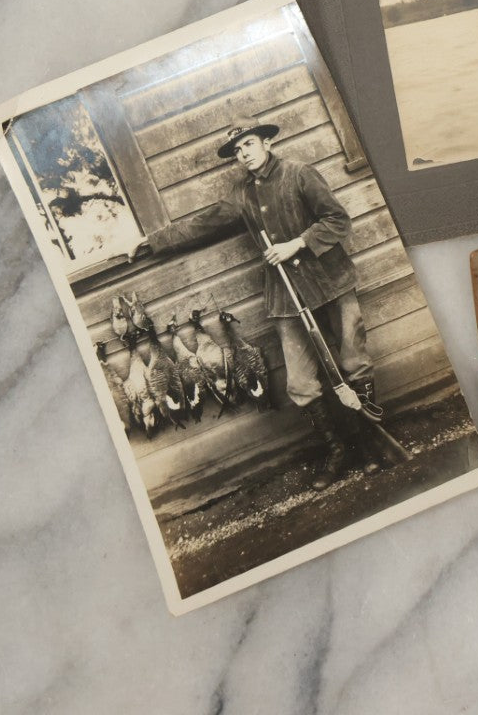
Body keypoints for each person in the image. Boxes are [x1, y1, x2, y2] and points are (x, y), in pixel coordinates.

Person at [133, 114, 394, 488]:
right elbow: (204, 222)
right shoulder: (242, 194)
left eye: (249, 144)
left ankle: (371, 442)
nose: (243, 154)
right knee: (301, 381)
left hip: (330, 281)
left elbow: (337, 219)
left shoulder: (299, 173)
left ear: (266, 143)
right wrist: (153, 241)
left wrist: (297, 244)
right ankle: (339, 451)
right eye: (237, 150)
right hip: (286, 293)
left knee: (353, 360)